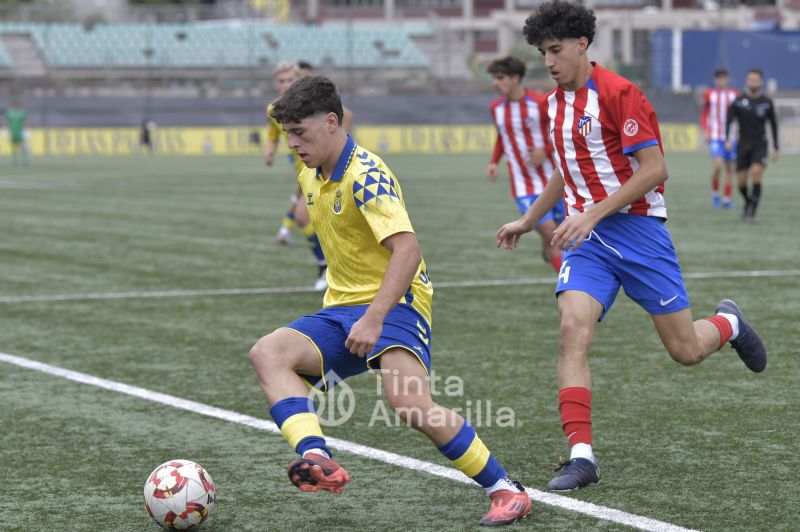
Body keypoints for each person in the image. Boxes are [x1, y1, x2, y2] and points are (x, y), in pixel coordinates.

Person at [496, 1, 767, 492]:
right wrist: (528, 219)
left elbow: (655, 169)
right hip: (588, 241)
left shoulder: (621, 93)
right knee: (571, 329)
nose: (549, 61)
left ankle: (728, 323)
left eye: (556, 50)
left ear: (582, 45)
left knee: (685, 350)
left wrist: (592, 212)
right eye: (543, 52)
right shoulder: (553, 104)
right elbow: (567, 167)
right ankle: (581, 456)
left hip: (639, 234)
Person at [249, 75, 532, 526]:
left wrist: (375, 317)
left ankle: (505, 489)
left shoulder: (367, 176)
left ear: (331, 122)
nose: (292, 144)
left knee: (409, 405)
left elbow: (408, 250)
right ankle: (317, 457)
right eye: (287, 135)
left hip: (397, 302)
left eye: (300, 133)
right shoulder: (309, 170)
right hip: (341, 307)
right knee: (269, 353)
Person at [486, 56, 563, 272]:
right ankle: (570, 286)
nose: (495, 83)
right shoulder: (496, 108)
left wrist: (544, 151)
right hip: (523, 186)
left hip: (553, 181)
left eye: (500, 78)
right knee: (551, 233)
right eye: (493, 78)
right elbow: (503, 136)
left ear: (516, 78)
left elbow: (558, 133)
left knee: (562, 234)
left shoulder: (540, 103)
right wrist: (494, 161)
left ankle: (551, 252)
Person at [265, 62, 328, 290]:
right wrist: (270, 150)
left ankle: (327, 266)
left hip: (324, 167)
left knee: (307, 216)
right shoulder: (273, 110)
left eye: (289, 80)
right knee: (307, 217)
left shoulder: (313, 106)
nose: (284, 85)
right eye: (281, 81)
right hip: (304, 171)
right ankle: (326, 266)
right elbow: (274, 132)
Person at [725, 68, 779, 224]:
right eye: (751, 79)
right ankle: (748, 202)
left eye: (756, 80)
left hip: (760, 143)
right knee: (741, 183)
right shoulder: (738, 101)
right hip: (743, 143)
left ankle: (752, 213)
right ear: (747, 81)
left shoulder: (766, 102)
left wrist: (776, 147)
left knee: (756, 173)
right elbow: (729, 121)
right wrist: (728, 139)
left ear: (761, 82)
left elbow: (774, 124)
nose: (753, 82)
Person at [700, 69, 738, 209]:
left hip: (730, 137)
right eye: (718, 78)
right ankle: (715, 193)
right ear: (715, 80)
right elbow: (704, 113)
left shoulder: (735, 95)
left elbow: (739, 115)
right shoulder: (710, 94)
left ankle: (727, 198)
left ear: (727, 79)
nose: (721, 81)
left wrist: (738, 131)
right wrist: (705, 130)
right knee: (717, 167)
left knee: (729, 169)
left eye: (723, 78)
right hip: (715, 136)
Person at [5, 100, 29, 166]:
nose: (16, 106)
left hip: (20, 132)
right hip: (13, 132)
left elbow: (24, 122)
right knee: (14, 146)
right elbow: (8, 122)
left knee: (23, 146)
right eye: (14, 105)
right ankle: (15, 159)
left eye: (17, 105)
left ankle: (25, 159)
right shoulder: (10, 113)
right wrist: (7, 130)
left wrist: (25, 130)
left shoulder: (22, 113)